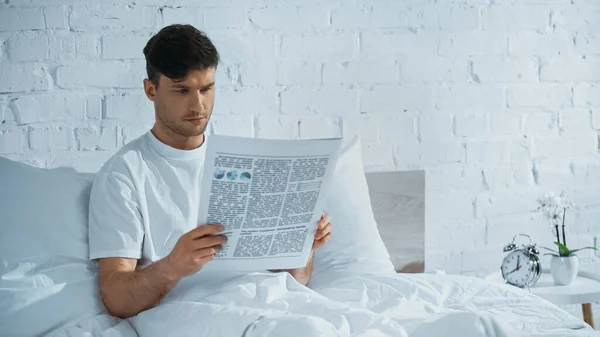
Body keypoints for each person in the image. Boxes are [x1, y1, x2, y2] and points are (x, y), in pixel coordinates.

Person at [88, 24, 332, 319]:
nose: (198, 105)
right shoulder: (124, 174)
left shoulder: (243, 161)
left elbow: (297, 279)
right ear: (151, 90)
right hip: (197, 315)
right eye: (182, 90)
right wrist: (173, 266)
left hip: (271, 303)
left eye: (206, 88)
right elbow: (117, 299)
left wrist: (304, 246)